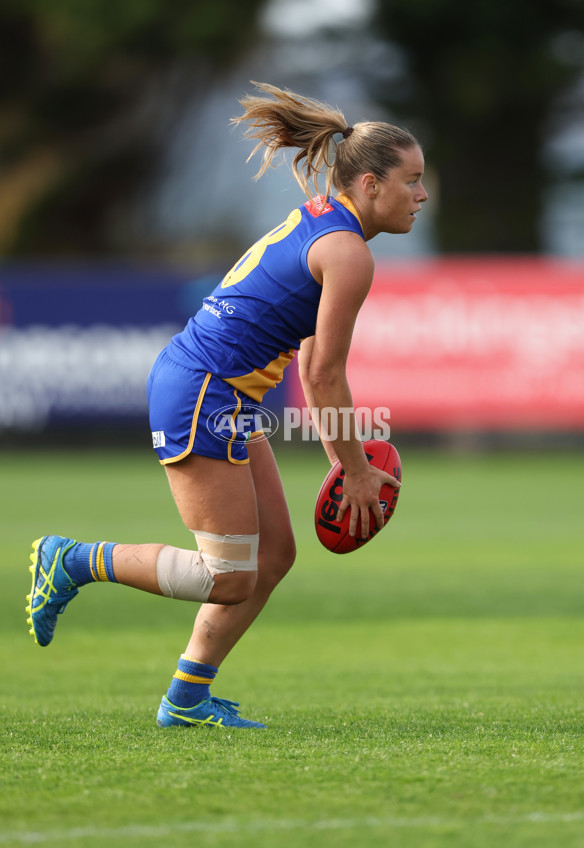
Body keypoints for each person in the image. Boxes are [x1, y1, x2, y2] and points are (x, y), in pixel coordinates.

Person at [26, 82, 428, 729]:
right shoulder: (348, 252)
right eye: (411, 180)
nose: (422, 195)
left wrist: (339, 458)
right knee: (228, 576)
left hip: (218, 393)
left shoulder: (324, 217)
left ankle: (186, 701)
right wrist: (353, 469)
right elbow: (324, 374)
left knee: (272, 558)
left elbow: (307, 363)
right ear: (372, 184)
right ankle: (72, 559)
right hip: (204, 394)